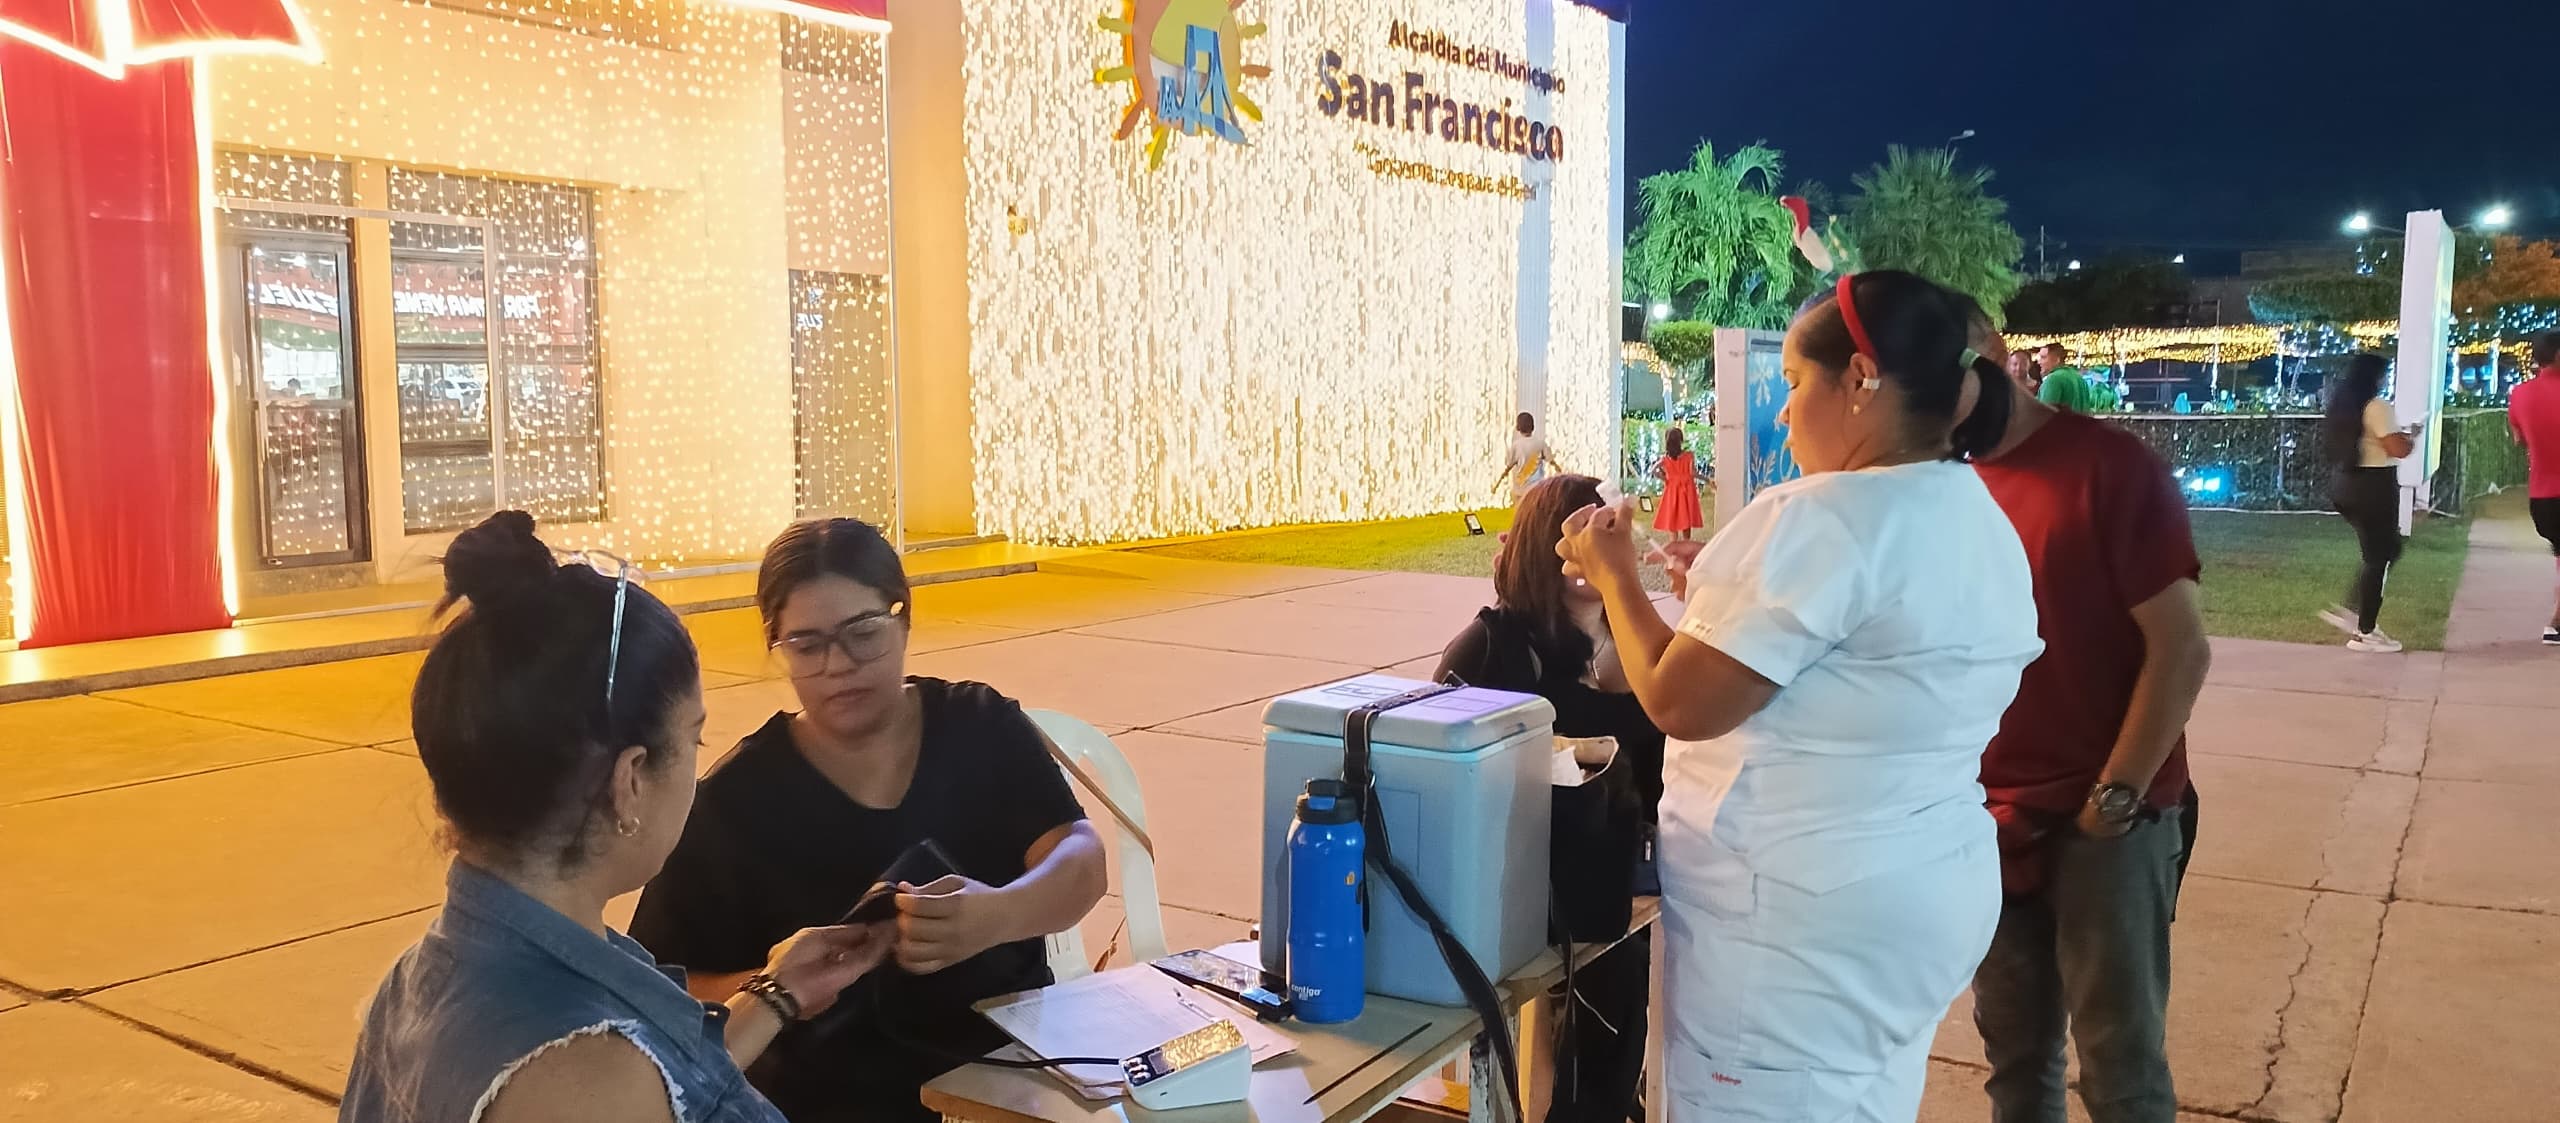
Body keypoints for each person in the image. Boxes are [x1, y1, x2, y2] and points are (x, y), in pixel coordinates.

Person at [1557, 270, 2043, 1120]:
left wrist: (1613, 574)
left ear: (1859, 379)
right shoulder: (1972, 512)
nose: (1782, 413)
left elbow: (1678, 699)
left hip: (1793, 934)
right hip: (1914, 893)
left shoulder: (1824, 515)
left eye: (1791, 382)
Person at [341, 511, 892, 1123]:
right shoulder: (582, 1072)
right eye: (693, 740)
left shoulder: (428, 978)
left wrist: (777, 995)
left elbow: (676, 1086)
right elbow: (621, 1088)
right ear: (629, 781)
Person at [630, 519, 1108, 1123]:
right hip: (828, 1100)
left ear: (903, 617)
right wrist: (782, 987)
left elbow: (1081, 859)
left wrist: (998, 915)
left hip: (1008, 1083)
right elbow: (660, 985)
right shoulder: (734, 800)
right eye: (806, 644)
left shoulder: (979, 725)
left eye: (863, 632)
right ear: (776, 647)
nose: (838, 664)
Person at [1971, 314, 2214, 1123]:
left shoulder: (2109, 466)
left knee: (2119, 1068)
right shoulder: (1944, 480)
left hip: (2107, 817)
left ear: (1993, 359)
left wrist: (2115, 800)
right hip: (1989, 822)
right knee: (2015, 1060)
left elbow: (2180, 649)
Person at [1436, 473, 1667, 1123]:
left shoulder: (1643, 647)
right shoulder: (1493, 647)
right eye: (1572, 534)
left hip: (1618, 891)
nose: (1589, 552)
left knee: (1623, 983)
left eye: (1604, 533)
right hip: (1519, 901)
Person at [2318, 355, 2417, 653]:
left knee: (2386, 549)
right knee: (2379, 555)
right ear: (2375, 376)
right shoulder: (2377, 406)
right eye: (2385, 374)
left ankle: (2353, 611)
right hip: (2374, 486)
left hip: (2346, 484)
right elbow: (2397, 448)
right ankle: (2365, 631)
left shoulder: (2344, 407)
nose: (2386, 379)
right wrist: (2410, 437)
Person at [2510, 332, 2560, 645]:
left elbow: (2519, 438)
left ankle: (2556, 624)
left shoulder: (2520, 394)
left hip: (2542, 497)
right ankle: (2555, 621)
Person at [2035, 343, 2118, 414]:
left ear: (2057, 360)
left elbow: (2044, 415)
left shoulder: (2053, 379)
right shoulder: (2078, 378)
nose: (2039, 362)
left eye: (2043, 357)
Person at [1654, 426, 1704, 539]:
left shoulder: (1665, 459)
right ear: (1681, 440)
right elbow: (1694, 473)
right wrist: (1708, 480)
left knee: (1673, 515)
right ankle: (1687, 542)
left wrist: (1665, 479)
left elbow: (1653, 470)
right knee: (1686, 516)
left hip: (1672, 489)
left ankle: (1674, 544)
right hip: (1687, 490)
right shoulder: (1689, 456)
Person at [1503, 411, 1557, 503]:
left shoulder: (1516, 446)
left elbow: (1509, 465)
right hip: (1537, 489)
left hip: (1520, 489)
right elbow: (1551, 461)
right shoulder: (1540, 443)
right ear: (1532, 427)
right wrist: (1559, 469)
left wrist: (1505, 473)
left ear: (1518, 427)